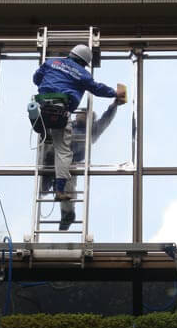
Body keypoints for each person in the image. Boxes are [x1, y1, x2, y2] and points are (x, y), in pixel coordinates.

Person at [32, 44, 122, 201]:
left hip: (44, 106)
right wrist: (116, 93)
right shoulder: (82, 74)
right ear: (84, 62)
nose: (81, 115)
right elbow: (97, 88)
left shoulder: (52, 62)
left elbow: (36, 78)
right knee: (63, 152)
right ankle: (59, 190)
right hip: (60, 111)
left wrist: (50, 84)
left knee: (51, 137)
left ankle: (37, 121)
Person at [41, 98, 125, 230]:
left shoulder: (92, 129)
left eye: (85, 115)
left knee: (67, 183)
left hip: (71, 160)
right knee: (48, 155)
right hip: (54, 156)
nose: (80, 116)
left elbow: (106, 119)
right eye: (80, 114)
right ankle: (45, 184)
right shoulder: (69, 124)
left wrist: (114, 105)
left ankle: (67, 213)